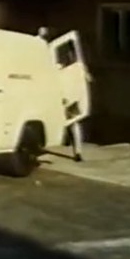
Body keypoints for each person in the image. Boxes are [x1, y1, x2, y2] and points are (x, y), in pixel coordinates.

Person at [37, 26, 84, 162]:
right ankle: (74, 148)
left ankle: (78, 151)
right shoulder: (42, 50)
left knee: (72, 121)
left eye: (43, 35)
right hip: (51, 91)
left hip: (63, 91)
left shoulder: (55, 51)